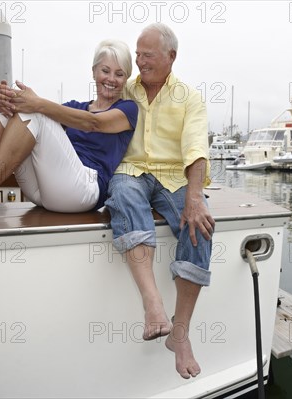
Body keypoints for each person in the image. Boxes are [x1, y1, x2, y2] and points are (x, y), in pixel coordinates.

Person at [0, 40, 137, 222]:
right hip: (44, 191)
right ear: (94, 72)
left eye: (119, 74)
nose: (111, 79)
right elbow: (40, 121)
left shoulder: (127, 109)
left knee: (33, 112)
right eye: (105, 71)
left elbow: (93, 123)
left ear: (126, 78)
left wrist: (36, 103)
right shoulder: (73, 107)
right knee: (7, 108)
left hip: (84, 191)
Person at [105, 23, 214, 379]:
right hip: (132, 170)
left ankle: (179, 333)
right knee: (123, 194)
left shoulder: (190, 97)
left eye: (147, 55)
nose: (139, 61)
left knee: (201, 226)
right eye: (137, 54)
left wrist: (195, 198)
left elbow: (196, 149)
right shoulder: (126, 89)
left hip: (172, 176)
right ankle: (153, 304)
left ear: (171, 57)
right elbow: (89, 114)